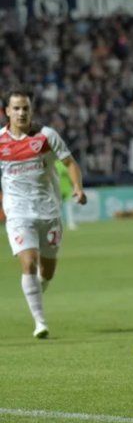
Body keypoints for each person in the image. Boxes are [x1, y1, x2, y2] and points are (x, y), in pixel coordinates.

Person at [0, 87, 87, 338]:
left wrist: (78, 188)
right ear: (7, 112)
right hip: (18, 213)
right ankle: (40, 322)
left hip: (48, 212)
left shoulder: (46, 136)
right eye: (16, 108)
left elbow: (70, 163)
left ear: (32, 110)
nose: (21, 112)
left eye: (25, 108)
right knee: (29, 263)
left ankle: (36, 292)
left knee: (46, 272)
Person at [55, 160, 78, 230]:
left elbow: (71, 176)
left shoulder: (66, 164)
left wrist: (74, 186)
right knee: (57, 208)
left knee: (69, 207)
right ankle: (57, 225)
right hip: (57, 189)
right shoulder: (54, 164)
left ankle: (70, 223)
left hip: (67, 189)